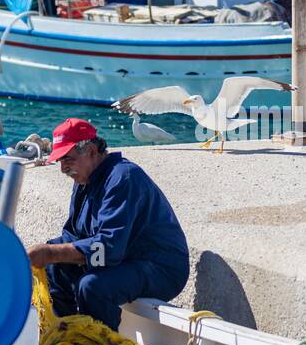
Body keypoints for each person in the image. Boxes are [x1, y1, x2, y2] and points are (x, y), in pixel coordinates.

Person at [26, 118, 189, 330]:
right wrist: (44, 253)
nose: (63, 169)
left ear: (92, 151)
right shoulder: (84, 181)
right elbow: (73, 235)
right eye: (60, 162)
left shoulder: (124, 178)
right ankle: (64, 334)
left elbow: (108, 250)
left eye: (68, 159)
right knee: (54, 268)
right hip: (124, 259)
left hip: (161, 267)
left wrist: (51, 252)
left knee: (93, 287)